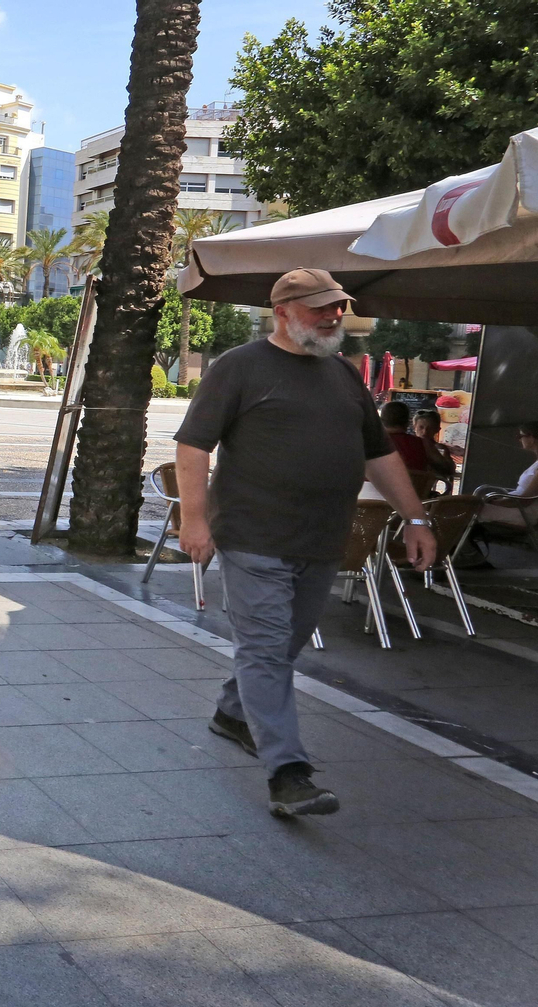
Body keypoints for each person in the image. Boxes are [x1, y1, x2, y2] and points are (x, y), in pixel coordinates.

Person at [174, 268, 435, 818]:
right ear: (284, 312)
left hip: (321, 541)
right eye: (321, 307)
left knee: (281, 648)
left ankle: (232, 712)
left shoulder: (343, 375)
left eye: (338, 306)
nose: (334, 315)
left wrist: (415, 517)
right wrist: (193, 521)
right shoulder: (238, 367)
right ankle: (288, 774)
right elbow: (194, 447)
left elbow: (380, 455)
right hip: (252, 537)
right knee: (267, 650)